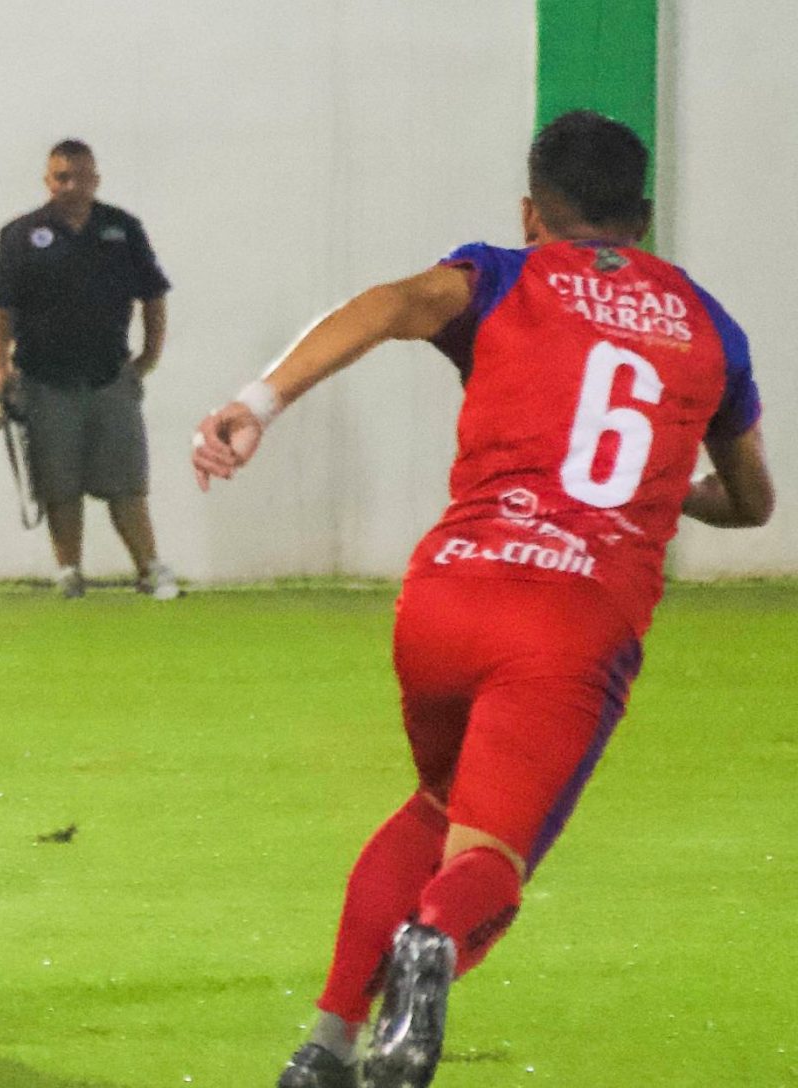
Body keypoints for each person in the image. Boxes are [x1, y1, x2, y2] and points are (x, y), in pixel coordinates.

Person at [191, 111, 773, 1088]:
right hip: (570, 620)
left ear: (530, 212)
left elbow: (390, 303)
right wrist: (671, 487)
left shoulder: (505, 274)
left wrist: (259, 402)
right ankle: (431, 946)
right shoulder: (712, 328)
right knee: (487, 862)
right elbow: (753, 500)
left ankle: (325, 1047)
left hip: (449, 588)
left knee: (437, 805)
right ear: (643, 216)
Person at [0, 139, 179, 599]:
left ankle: (150, 570)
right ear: (47, 180)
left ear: (96, 179)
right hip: (43, 380)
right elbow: (1, 307)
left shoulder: (123, 229)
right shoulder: (21, 234)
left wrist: (149, 356)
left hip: (110, 377)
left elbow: (153, 295)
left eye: (80, 177)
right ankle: (69, 572)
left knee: (126, 483)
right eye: (61, 177)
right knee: (59, 485)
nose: (71, 186)